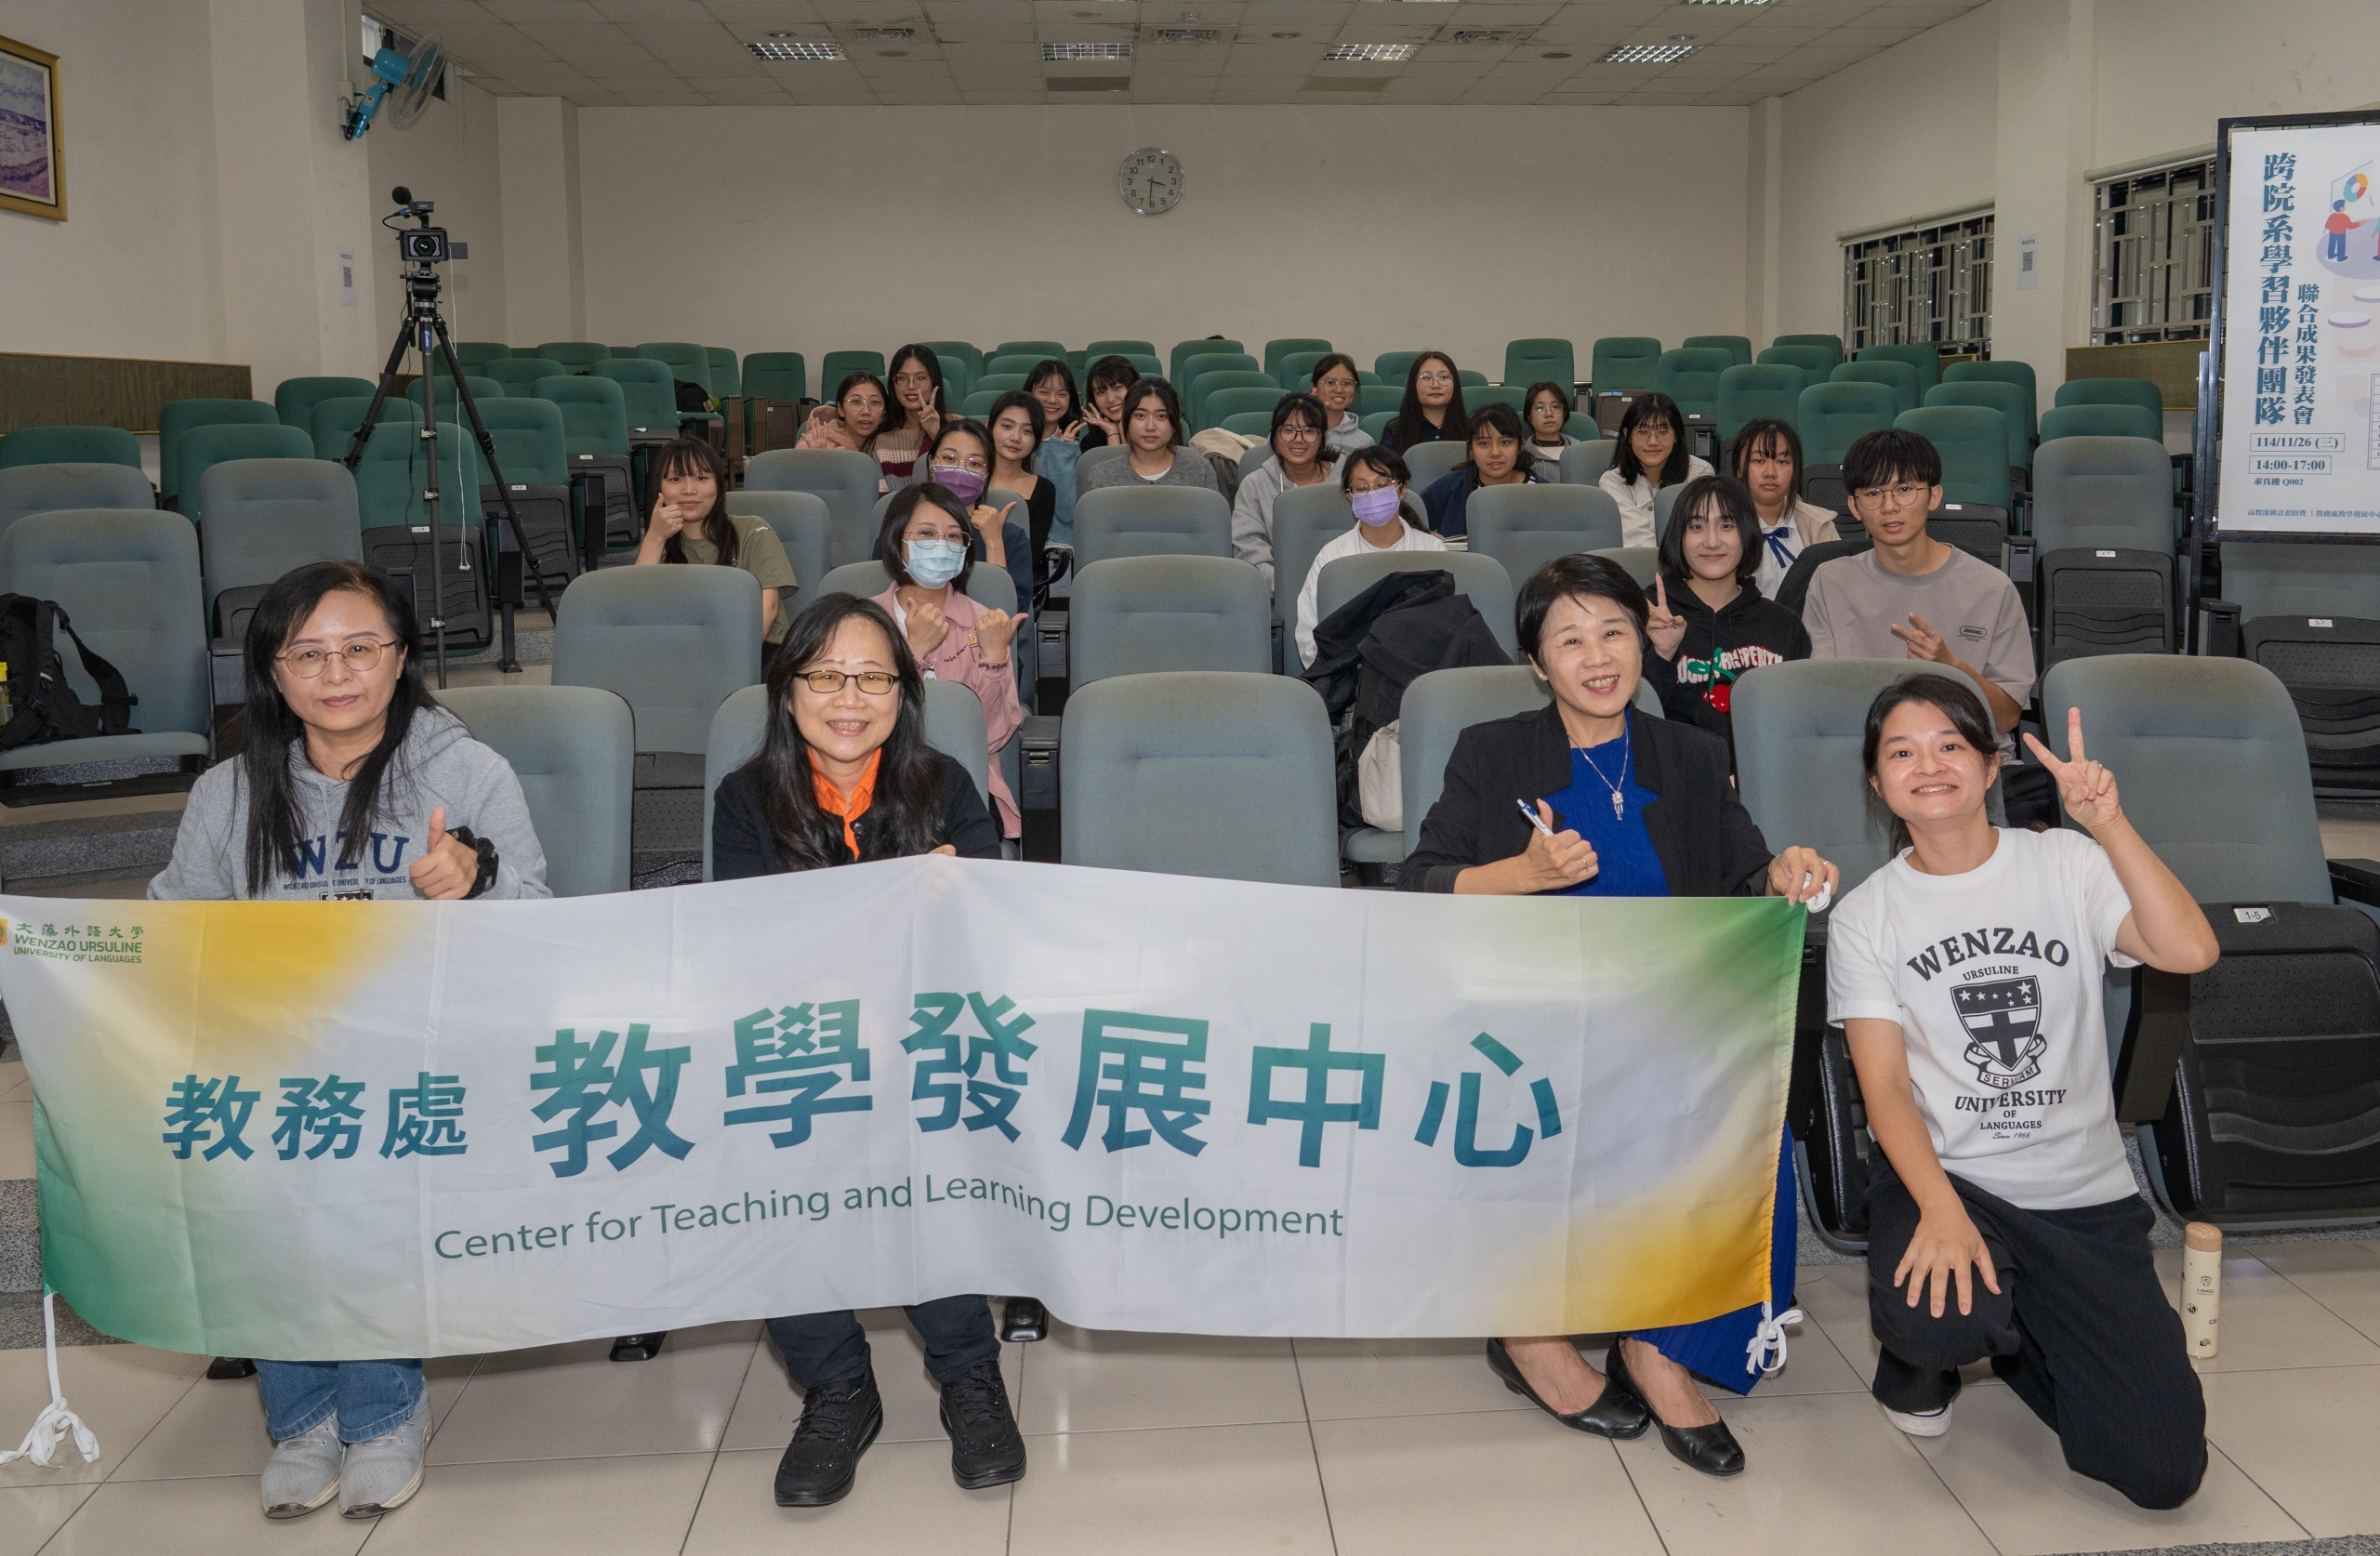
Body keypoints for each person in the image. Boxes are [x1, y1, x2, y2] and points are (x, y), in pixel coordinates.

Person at [1399, 552, 1840, 1479]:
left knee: (1745, 1103)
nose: (1597, 657)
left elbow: (1743, 871)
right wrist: (1523, 874)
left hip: (1664, 1012)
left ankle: (1656, 1346)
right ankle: (1530, 1336)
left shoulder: (1691, 753)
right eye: (1569, 640)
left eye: (1613, 632)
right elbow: (1422, 883)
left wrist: (1783, 872)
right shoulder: (1490, 751)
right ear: (1536, 663)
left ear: (1642, 641)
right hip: (1530, 1017)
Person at [150, 560, 551, 1522]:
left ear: (401, 658)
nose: (338, 674)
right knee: (254, 1168)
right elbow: (172, 932)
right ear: (274, 673)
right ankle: (301, 1418)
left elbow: (541, 921)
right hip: (277, 1060)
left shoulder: (466, 773)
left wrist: (476, 880)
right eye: (309, 655)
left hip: (422, 1059)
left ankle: (382, 1414)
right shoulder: (227, 795)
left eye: (361, 648)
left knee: (370, 1172)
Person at [1830, 674, 2217, 1509]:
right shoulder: (1868, 915)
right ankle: (1924, 1359)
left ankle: (2021, 1336)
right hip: (1955, 1179)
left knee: (2161, 1472)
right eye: (1902, 752)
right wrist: (1939, 1209)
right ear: (1877, 783)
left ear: (1990, 765)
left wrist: (2108, 824)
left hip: (2083, 1195)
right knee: (1937, 1320)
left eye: (1950, 745)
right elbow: (1885, 1086)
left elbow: (2189, 951)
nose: (1928, 765)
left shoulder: (2066, 862)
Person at [710, 592, 1025, 1508]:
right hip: (806, 1045)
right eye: (826, 677)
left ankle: (969, 1373)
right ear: (788, 689)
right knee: (771, 1165)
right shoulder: (745, 799)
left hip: (921, 1041)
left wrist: (956, 902)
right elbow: (750, 946)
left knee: (921, 1150)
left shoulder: (945, 787)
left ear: (903, 693)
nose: (849, 699)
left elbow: (990, 936)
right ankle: (838, 1386)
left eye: (873, 679)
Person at [1801, 429, 2032, 745]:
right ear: (1854, 507)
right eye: (1873, 493)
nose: (1889, 506)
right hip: (1863, 756)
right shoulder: (1830, 582)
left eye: (1904, 489)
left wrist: (1951, 667)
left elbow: (2007, 718)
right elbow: (1823, 704)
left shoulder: (1992, 588)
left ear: (1934, 496)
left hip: (1966, 757)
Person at [871, 482, 1025, 838]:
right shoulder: (863, 621)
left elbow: (992, 737)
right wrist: (914, 651)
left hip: (965, 781)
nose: (942, 545)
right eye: (927, 533)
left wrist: (993, 660)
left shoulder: (983, 622)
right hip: (877, 775)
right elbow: (861, 718)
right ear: (896, 540)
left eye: (954, 536)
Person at [1642, 474, 1810, 754]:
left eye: (1727, 525)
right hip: (1674, 771)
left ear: (1747, 533)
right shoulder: (1647, 616)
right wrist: (1662, 656)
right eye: (1697, 526)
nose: (1712, 541)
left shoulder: (1783, 624)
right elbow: (1628, 724)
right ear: (1679, 537)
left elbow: (1801, 727)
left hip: (1761, 773)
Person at [633, 437, 799, 648]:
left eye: (701, 478)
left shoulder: (753, 531)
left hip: (755, 650)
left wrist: (732, 661)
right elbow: (634, 613)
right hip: (683, 652)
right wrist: (654, 538)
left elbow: (769, 609)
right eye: (675, 479)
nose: (689, 490)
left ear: (719, 485)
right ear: (659, 488)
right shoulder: (658, 543)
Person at [1294, 445, 1445, 668]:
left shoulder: (1432, 551)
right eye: (1362, 487)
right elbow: (1309, 635)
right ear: (1350, 495)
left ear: (1402, 488)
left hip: (1418, 674)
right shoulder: (1332, 557)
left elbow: (1445, 626)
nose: (1372, 493)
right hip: (1349, 677)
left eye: (1382, 484)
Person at [1232, 391, 1345, 590]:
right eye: (1288, 430)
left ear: (1323, 437)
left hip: (1346, 589)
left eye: (1309, 430)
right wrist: (1289, 589)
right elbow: (1249, 551)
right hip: (1282, 593)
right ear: (1275, 436)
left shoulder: (1350, 477)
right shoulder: (1254, 485)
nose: (1298, 439)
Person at [918, 419, 1032, 610]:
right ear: (931, 463)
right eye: (950, 458)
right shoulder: (904, 527)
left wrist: (994, 544)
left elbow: (1011, 614)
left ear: (987, 474)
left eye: (975, 463)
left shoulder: (1011, 538)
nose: (960, 470)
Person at [1729, 416, 1840, 600]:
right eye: (1759, 461)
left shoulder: (1821, 526)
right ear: (1738, 468)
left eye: (1782, 462)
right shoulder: (1720, 526)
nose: (1770, 473)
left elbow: (1837, 593)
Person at [1600, 392, 1712, 547]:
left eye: (1663, 432)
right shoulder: (1612, 482)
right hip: (1637, 561)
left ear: (1676, 435)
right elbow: (1636, 539)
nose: (1653, 442)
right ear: (1628, 436)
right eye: (1643, 431)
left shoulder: (1699, 474)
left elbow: (1700, 534)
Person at [1075, 378, 1220, 497]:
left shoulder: (1199, 470)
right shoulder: (1101, 476)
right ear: (1126, 421)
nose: (1150, 427)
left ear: (1175, 424)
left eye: (1161, 416)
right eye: (1140, 416)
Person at [1420, 401, 1542, 540]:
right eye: (1484, 443)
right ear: (1471, 449)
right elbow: (1408, 522)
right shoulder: (1450, 487)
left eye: (1505, 442)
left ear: (1520, 445)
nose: (1495, 452)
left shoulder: (1543, 493)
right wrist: (1420, 534)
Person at [797, 371, 913, 494]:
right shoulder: (815, 442)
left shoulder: (894, 448)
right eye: (856, 402)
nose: (866, 411)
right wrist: (816, 464)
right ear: (840, 409)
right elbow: (799, 495)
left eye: (874, 402)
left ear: (884, 411)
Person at [986, 389, 1059, 566]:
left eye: (1027, 431)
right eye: (1007, 426)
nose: (1016, 438)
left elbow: (1030, 560)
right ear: (989, 426)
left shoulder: (1044, 490)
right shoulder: (969, 478)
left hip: (1015, 578)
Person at [1024, 360, 1086, 547]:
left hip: (1060, 546)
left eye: (1062, 394)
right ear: (1030, 393)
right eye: (1044, 392)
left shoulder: (1070, 448)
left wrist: (1061, 454)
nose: (1052, 400)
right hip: (1021, 539)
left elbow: (1067, 513)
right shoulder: (1014, 443)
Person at [1380, 351, 1470, 454]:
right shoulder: (1396, 430)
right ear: (1413, 385)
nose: (1436, 385)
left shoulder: (1472, 429)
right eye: (1426, 378)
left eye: (1443, 377)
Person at [1073, 354, 1139, 451]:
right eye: (1101, 392)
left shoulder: (1152, 432)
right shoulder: (1090, 444)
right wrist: (1112, 434)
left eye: (1117, 388)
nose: (1110, 399)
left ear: (1134, 388)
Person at [1310, 352, 1373, 450]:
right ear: (1314, 387)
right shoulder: (1297, 433)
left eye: (1346, 383)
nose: (1339, 390)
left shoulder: (1365, 442)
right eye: (1330, 383)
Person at [1523, 381, 1577, 462]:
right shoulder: (1521, 454)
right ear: (1529, 417)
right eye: (1540, 408)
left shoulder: (1579, 450)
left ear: (1564, 413)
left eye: (1555, 407)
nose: (1549, 414)